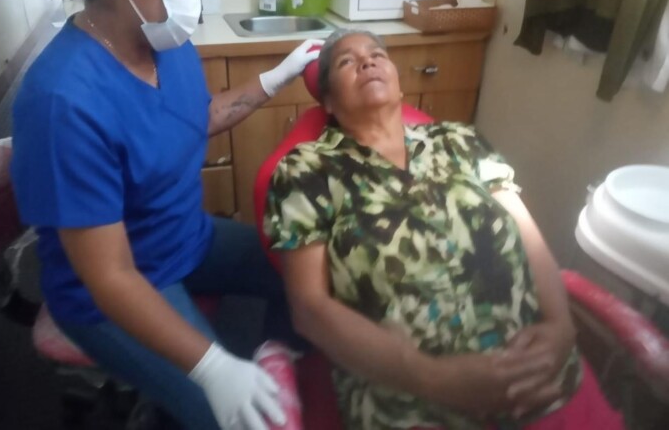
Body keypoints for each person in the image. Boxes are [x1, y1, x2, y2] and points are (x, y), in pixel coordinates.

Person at [10, 0, 321, 429]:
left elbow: (193, 117)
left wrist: (276, 77)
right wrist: (214, 368)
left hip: (185, 238)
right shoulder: (63, 101)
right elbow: (110, 276)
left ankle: (276, 359)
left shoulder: (162, 43)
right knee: (234, 419)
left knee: (310, 271)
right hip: (113, 289)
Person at [264, 29, 625, 430]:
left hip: (543, 380)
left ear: (398, 83)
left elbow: (527, 235)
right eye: (347, 61)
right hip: (409, 402)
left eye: (377, 54)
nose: (367, 61)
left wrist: (561, 327)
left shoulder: (460, 139)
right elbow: (309, 309)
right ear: (329, 101)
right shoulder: (307, 170)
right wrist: (434, 379)